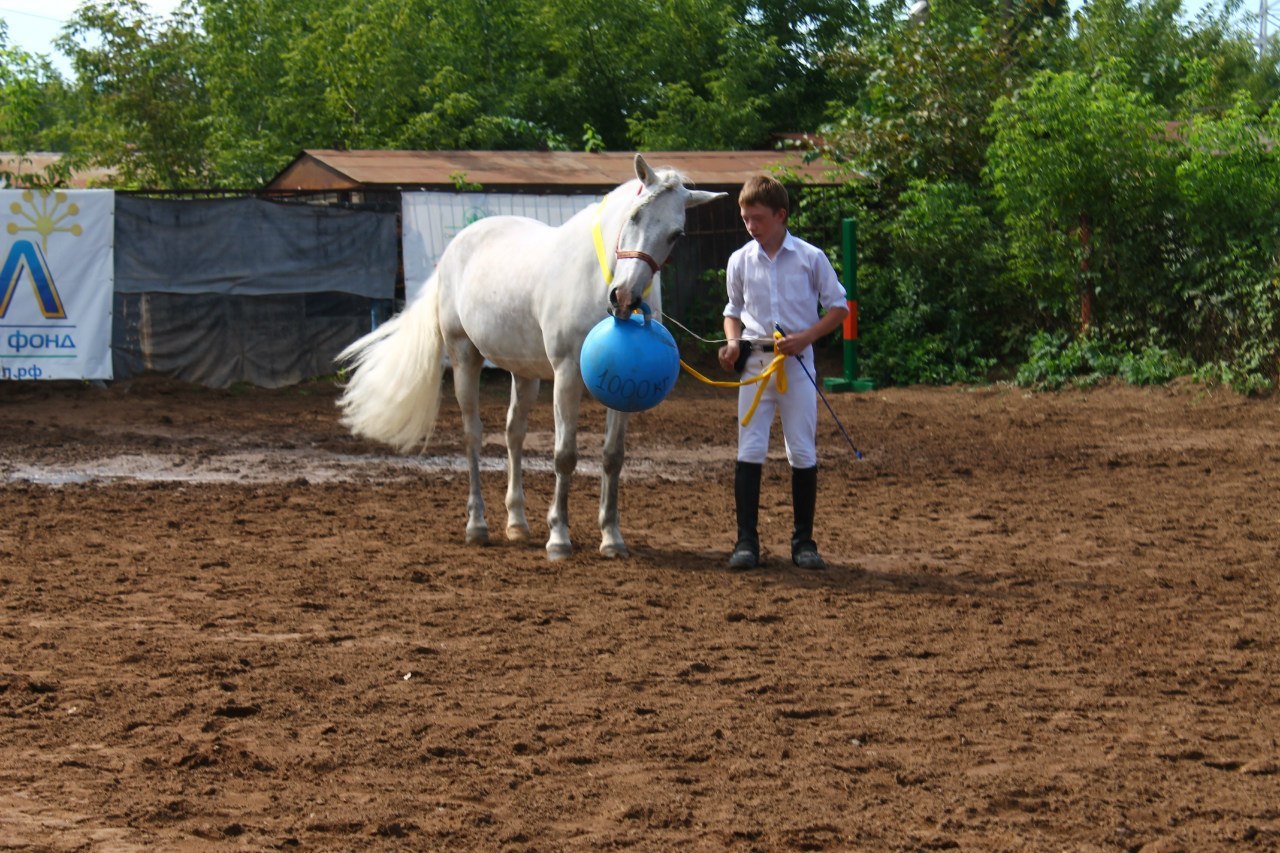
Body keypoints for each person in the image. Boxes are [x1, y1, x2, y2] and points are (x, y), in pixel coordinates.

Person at [717, 175, 848, 570]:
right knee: (750, 449)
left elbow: (839, 308)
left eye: (757, 218)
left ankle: (803, 542)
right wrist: (733, 342)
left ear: (781, 215)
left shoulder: (811, 257)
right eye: (745, 219)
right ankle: (746, 542)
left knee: (802, 450)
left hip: (797, 364)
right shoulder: (739, 259)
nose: (751, 226)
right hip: (755, 366)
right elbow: (732, 311)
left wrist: (805, 337)